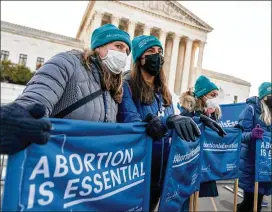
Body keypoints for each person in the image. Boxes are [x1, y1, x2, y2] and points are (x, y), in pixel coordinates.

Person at [117, 35, 225, 211]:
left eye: (159, 51)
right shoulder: (127, 86)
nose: (157, 56)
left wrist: (197, 120)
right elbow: (133, 123)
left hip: (162, 170)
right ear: (140, 58)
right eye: (150, 51)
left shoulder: (163, 92)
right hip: (137, 170)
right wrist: (167, 121)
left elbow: (174, 124)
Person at [0, 23, 131, 155]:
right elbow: (35, 101)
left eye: (126, 51)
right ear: (99, 47)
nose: (123, 54)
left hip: (90, 169)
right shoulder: (67, 63)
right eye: (118, 46)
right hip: (54, 163)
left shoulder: (114, 89)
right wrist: (17, 118)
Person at [178, 75, 225, 204]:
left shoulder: (214, 112)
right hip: (188, 159)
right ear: (203, 95)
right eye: (212, 95)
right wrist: (200, 116)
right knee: (185, 197)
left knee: (195, 196)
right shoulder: (188, 109)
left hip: (204, 160)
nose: (215, 98)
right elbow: (184, 125)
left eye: (216, 95)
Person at [237, 82, 272, 212]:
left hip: (266, 163)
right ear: (264, 96)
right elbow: (239, 136)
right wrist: (251, 135)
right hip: (251, 163)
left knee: (257, 201)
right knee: (251, 201)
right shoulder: (250, 109)